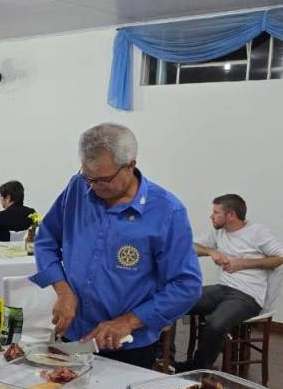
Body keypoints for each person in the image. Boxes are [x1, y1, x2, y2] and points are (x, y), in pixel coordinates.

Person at [31, 123, 201, 369]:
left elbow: (186, 285)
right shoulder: (78, 187)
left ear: (130, 165)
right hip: (74, 335)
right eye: (88, 177)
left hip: (128, 345)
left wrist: (129, 321)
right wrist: (63, 291)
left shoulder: (167, 211)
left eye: (103, 180)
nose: (93, 187)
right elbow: (46, 240)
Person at [175, 194, 283, 372]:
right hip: (222, 289)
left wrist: (243, 263)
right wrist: (210, 252)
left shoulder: (257, 232)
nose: (211, 216)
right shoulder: (219, 232)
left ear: (231, 215)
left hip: (248, 296)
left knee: (215, 323)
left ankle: (199, 370)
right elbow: (189, 246)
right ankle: (164, 358)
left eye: (216, 212)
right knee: (175, 301)